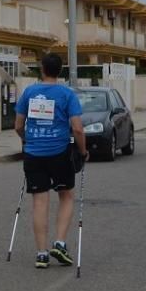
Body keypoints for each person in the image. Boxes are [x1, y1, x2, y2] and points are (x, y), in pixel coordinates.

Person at [14, 53, 88, 269]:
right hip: (59, 153)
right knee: (66, 196)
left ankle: (41, 254)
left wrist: (27, 140)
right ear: (60, 71)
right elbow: (77, 128)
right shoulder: (67, 94)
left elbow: (18, 125)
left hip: (34, 153)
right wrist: (83, 152)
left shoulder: (29, 92)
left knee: (39, 201)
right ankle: (60, 242)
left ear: (42, 69)